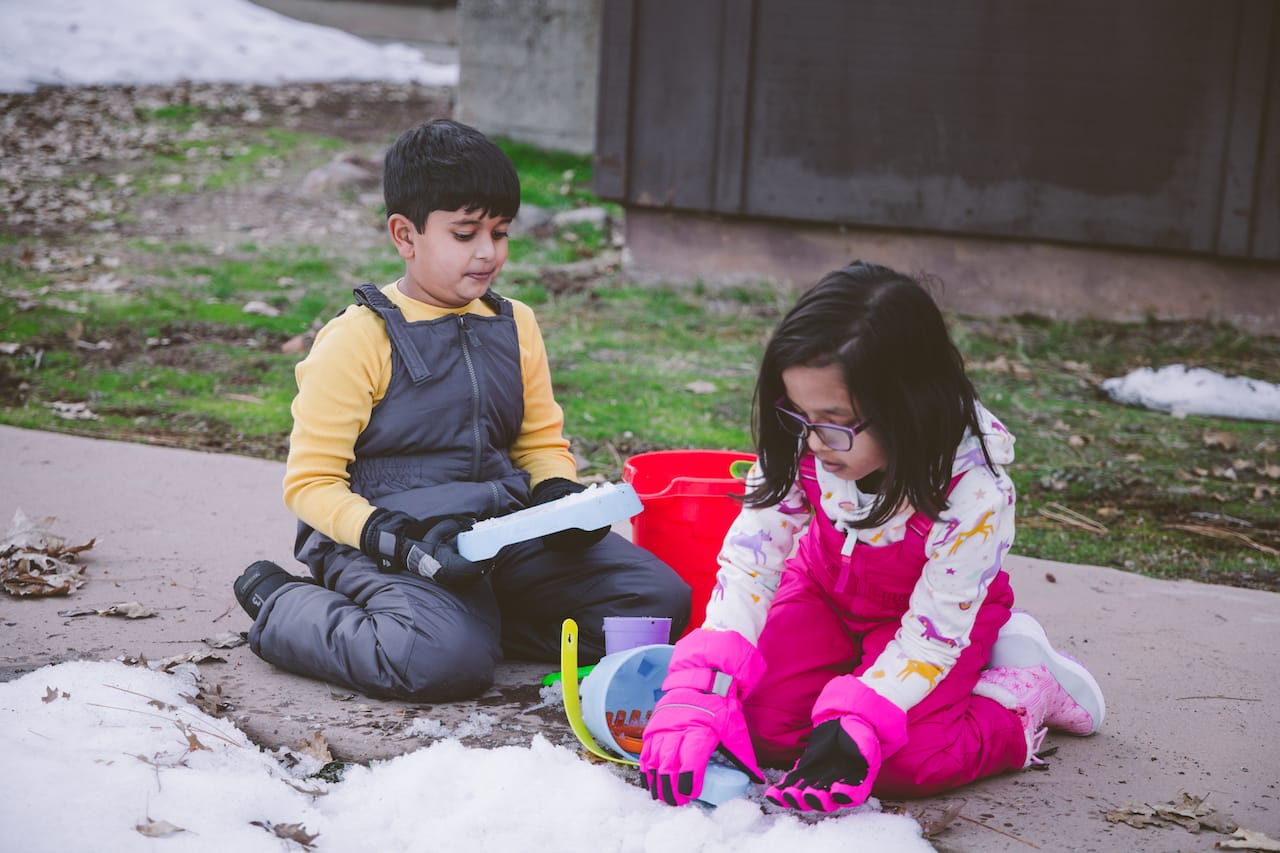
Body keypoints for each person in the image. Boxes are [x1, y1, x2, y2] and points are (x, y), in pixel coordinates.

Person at [232, 119, 690, 702]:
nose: (487, 252)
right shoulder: (359, 338)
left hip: (497, 535)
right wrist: (391, 539)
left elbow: (540, 443)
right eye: (465, 232)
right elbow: (310, 483)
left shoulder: (514, 322)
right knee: (439, 664)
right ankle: (284, 604)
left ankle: (470, 626)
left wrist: (556, 497)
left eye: (499, 233)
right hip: (389, 543)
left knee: (657, 604)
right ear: (405, 235)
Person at [638, 261, 1105, 810]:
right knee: (764, 724)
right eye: (798, 414)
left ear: (906, 406)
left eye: (833, 421)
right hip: (822, 589)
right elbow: (752, 562)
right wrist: (704, 681)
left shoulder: (975, 491)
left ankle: (1019, 696)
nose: (812, 440)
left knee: (903, 760)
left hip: (930, 621)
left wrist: (863, 714)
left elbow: (930, 638)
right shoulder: (805, 436)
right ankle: (850, 680)